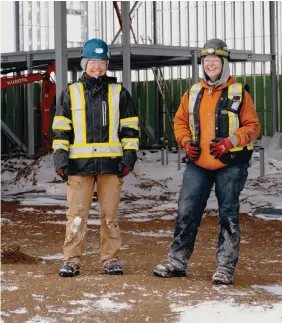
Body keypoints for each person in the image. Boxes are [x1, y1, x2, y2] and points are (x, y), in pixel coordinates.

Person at [153, 38, 260, 284]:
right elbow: (179, 122)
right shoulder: (192, 93)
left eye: (215, 61)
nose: (210, 65)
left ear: (224, 64)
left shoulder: (239, 92)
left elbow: (253, 126)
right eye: (207, 62)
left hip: (230, 164)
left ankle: (225, 267)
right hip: (198, 164)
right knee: (186, 211)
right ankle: (177, 262)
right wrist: (185, 142)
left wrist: (231, 141)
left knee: (228, 214)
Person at [52, 38, 139, 277]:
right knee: (77, 215)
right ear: (84, 63)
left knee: (110, 215)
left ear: (107, 64)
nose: (97, 67)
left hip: (111, 166)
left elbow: (130, 129)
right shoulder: (70, 93)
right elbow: (61, 130)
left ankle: (110, 259)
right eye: (93, 62)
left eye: (102, 62)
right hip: (79, 167)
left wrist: (128, 158)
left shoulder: (119, 93)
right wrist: (60, 159)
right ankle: (72, 259)